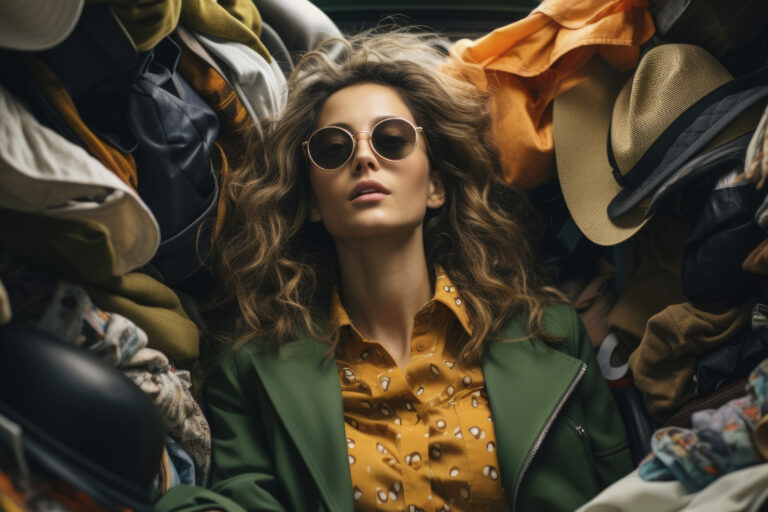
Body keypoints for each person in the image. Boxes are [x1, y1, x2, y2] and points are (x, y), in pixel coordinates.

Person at [155, 29, 633, 512]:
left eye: (392, 140)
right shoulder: (252, 369)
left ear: (436, 187)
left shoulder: (550, 332)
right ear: (313, 202)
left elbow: (624, 497)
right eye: (333, 148)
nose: (364, 157)